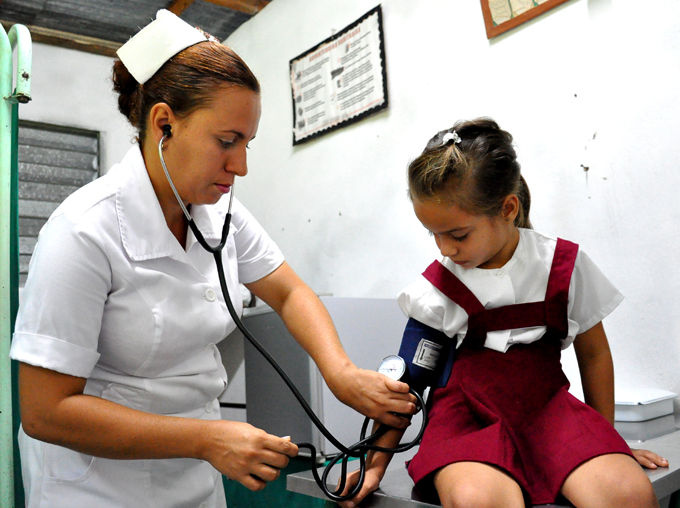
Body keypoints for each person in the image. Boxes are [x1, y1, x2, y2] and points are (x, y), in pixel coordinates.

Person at [9, 10, 416, 508]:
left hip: (196, 475)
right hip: (98, 486)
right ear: (164, 123)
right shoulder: (82, 232)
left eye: (246, 143)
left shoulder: (219, 212)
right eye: (226, 142)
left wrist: (341, 372)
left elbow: (289, 293)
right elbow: (45, 412)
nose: (240, 165)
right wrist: (207, 439)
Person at [339, 118, 667, 508]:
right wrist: (376, 465)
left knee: (628, 494)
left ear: (508, 208)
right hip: (466, 420)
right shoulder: (437, 287)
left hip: (547, 410)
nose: (445, 249)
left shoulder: (562, 265)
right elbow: (407, 381)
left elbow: (594, 354)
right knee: (481, 501)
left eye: (458, 235)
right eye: (433, 234)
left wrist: (607, 440)